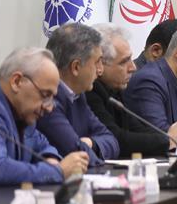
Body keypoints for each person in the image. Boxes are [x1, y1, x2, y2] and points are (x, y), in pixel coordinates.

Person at [87, 24, 177, 156]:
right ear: (99, 64)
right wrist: (168, 139)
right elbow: (118, 139)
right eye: (124, 62)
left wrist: (175, 132)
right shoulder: (89, 92)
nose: (133, 67)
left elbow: (139, 129)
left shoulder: (116, 91)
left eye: (130, 59)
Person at [0, 48, 89, 184]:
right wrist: (58, 171)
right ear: (17, 81)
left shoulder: (23, 112)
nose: (49, 108)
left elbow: (43, 145)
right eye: (45, 95)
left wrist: (50, 158)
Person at [37, 23, 117, 164]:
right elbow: (76, 152)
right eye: (97, 62)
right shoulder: (48, 100)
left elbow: (112, 141)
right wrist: (87, 148)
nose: (100, 70)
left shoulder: (77, 95)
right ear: (76, 67)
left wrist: (91, 143)